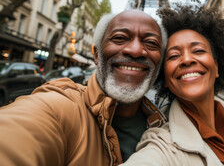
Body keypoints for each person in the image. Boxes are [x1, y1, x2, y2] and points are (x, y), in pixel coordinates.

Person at [0, 10, 167, 165]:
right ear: (96, 54)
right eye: (119, 38)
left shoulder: (165, 124)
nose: (135, 50)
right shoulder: (59, 108)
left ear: (160, 63)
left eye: (151, 42)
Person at [122, 6, 224, 166]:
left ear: (217, 67)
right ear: (165, 80)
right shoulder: (162, 148)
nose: (187, 60)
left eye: (198, 50)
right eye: (174, 55)